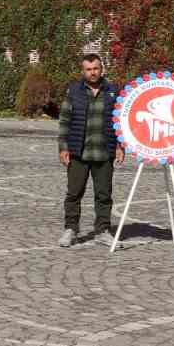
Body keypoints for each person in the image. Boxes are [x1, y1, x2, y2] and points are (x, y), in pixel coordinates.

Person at [56, 53, 125, 249]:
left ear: (101, 69)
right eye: (88, 69)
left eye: (95, 68)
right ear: (83, 71)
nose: (92, 72)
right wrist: (63, 147)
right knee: (74, 193)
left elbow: (119, 121)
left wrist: (120, 146)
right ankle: (71, 229)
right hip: (79, 152)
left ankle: (102, 230)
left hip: (104, 153)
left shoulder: (113, 91)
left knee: (104, 195)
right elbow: (64, 121)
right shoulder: (74, 91)